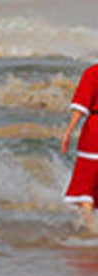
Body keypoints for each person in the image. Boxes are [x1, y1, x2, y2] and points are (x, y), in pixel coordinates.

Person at [61, 61, 98, 232]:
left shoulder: (92, 72)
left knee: (86, 182)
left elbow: (81, 106)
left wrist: (69, 131)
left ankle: (92, 228)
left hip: (94, 131)